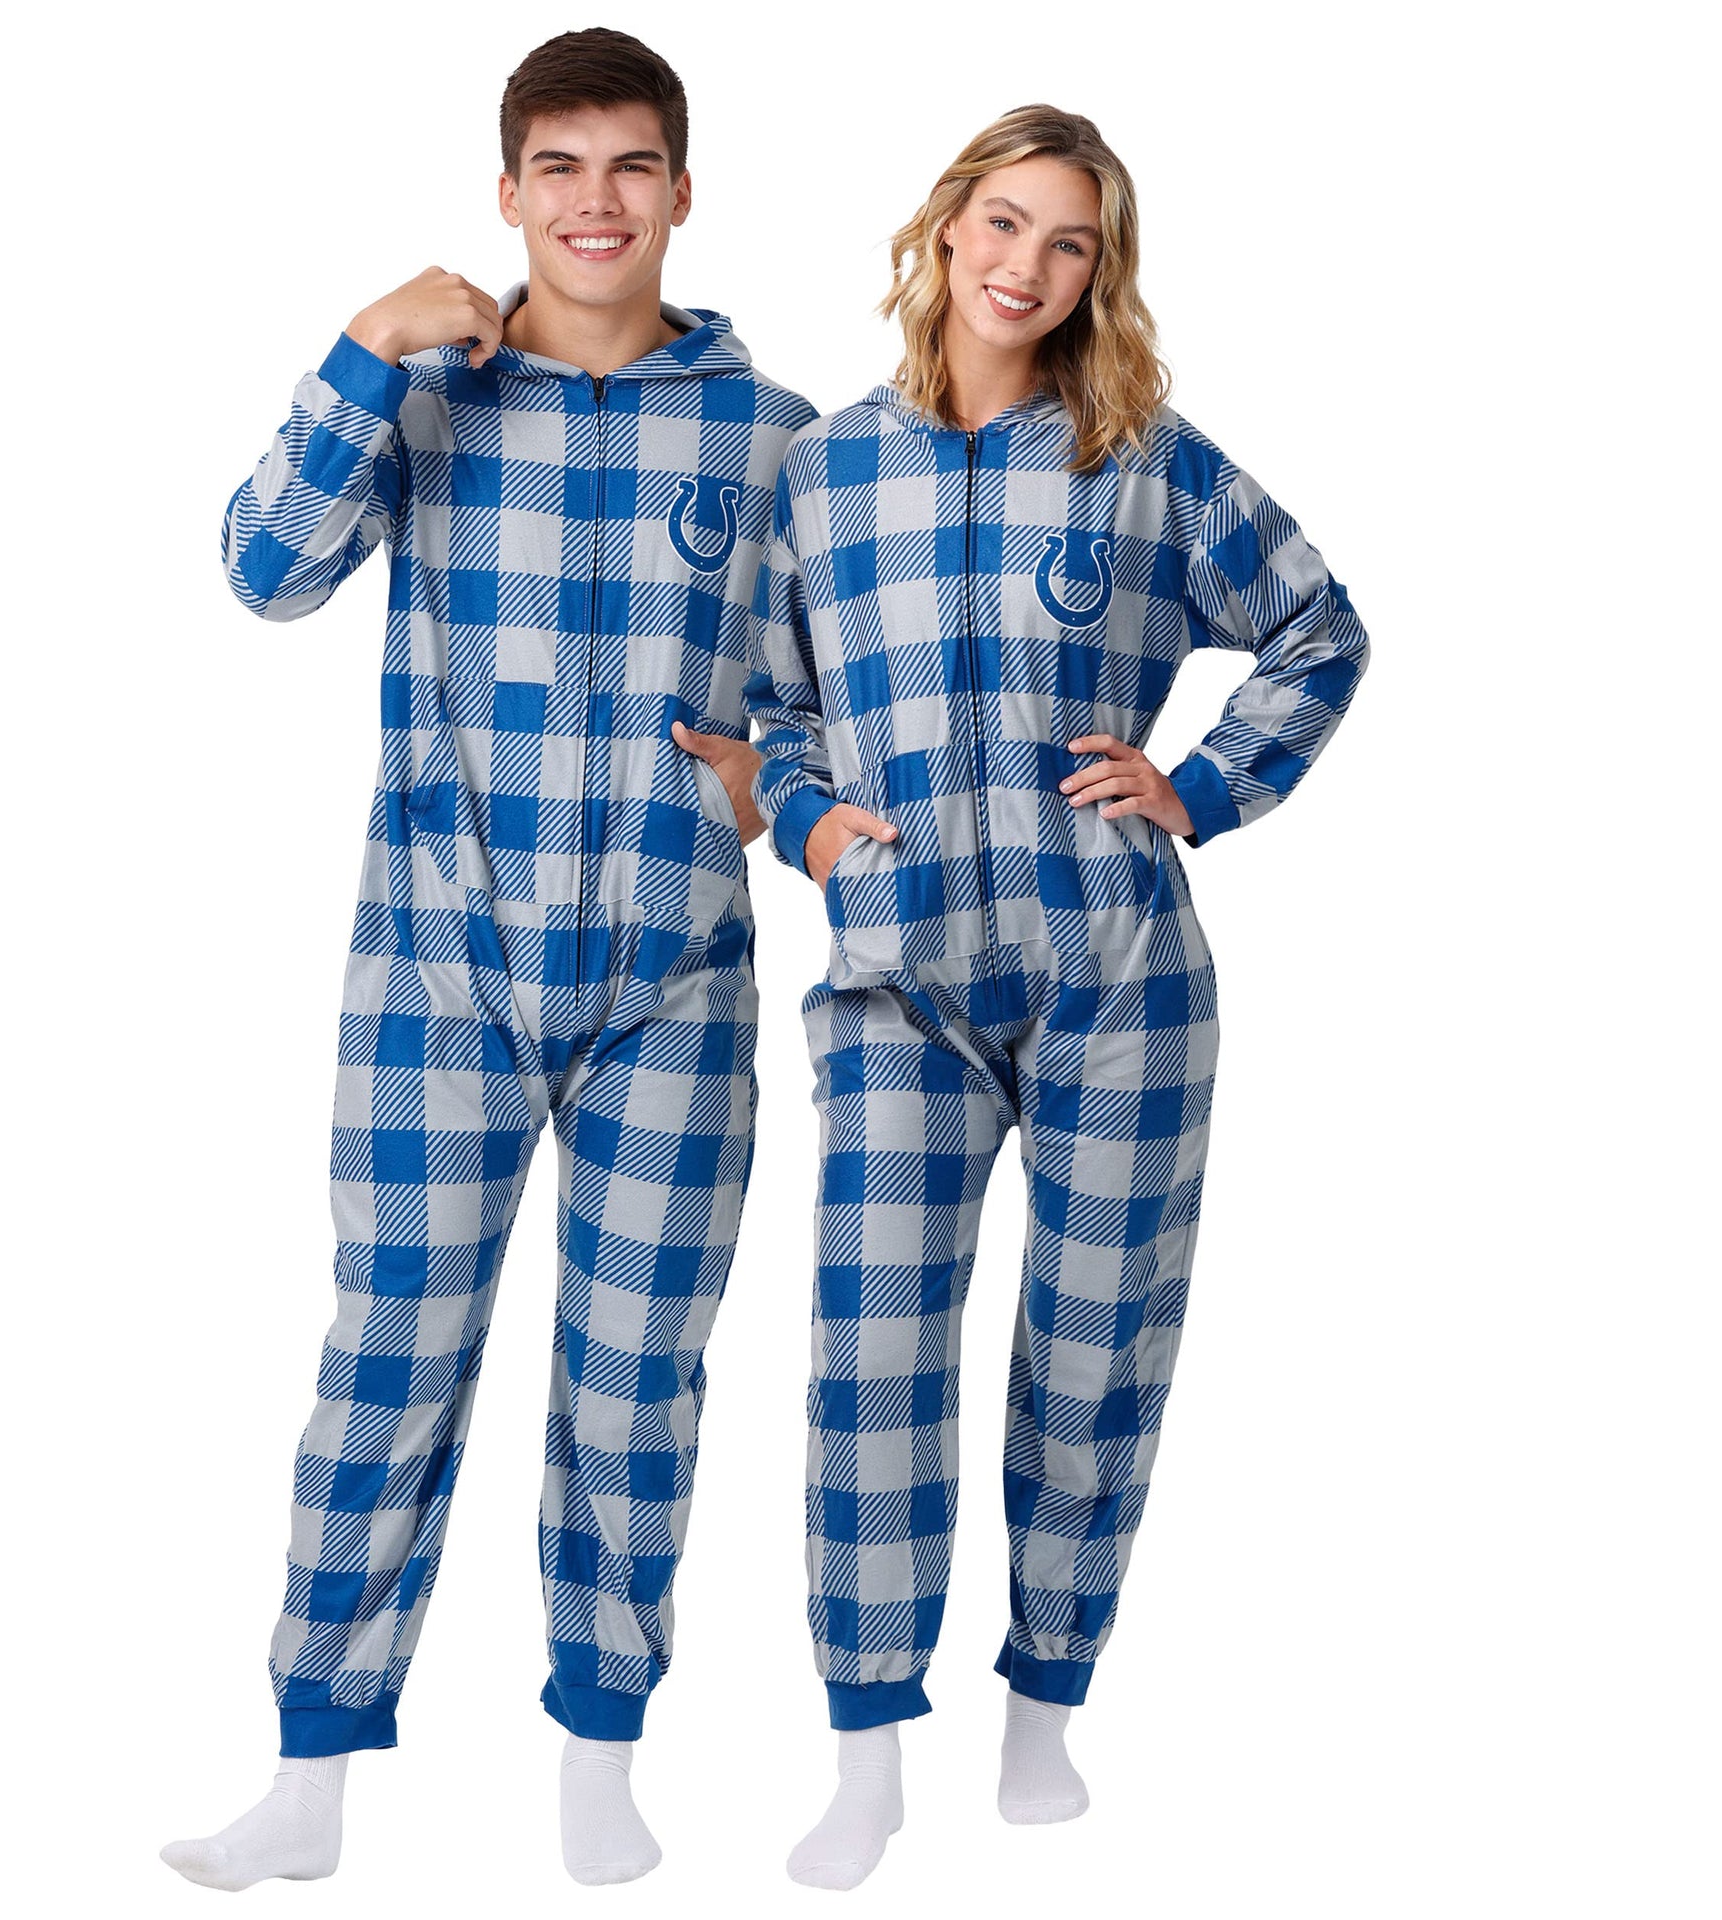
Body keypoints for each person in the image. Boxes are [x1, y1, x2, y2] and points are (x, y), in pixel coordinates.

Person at [161, 28, 816, 1891]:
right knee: (390, 1359)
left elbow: (823, 694)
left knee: (637, 1381)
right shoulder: (424, 395)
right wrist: (359, 350)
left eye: (632, 165)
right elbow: (264, 572)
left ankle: (600, 1762)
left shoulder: (777, 436)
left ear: (682, 191)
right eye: (561, 166)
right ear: (509, 192)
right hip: (435, 977)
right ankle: (308, 1777)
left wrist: (779, 774)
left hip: (673, 988)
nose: (597, 201)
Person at [745, 103, 1370, 1889]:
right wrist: (811, 820)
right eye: (1005, 223)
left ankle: (1045, 1710)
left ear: (1101, 272)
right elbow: (772, 707)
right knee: (873, 1352)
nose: (1027, 264)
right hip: (900, 979)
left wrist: (1205, 786)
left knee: (1097, 1350)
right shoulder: (823, 472)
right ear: (946, 228)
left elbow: (1322, 627)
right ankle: (867, 1748)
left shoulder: (1145, 460)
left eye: (1071, 241)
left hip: (1121, 977)